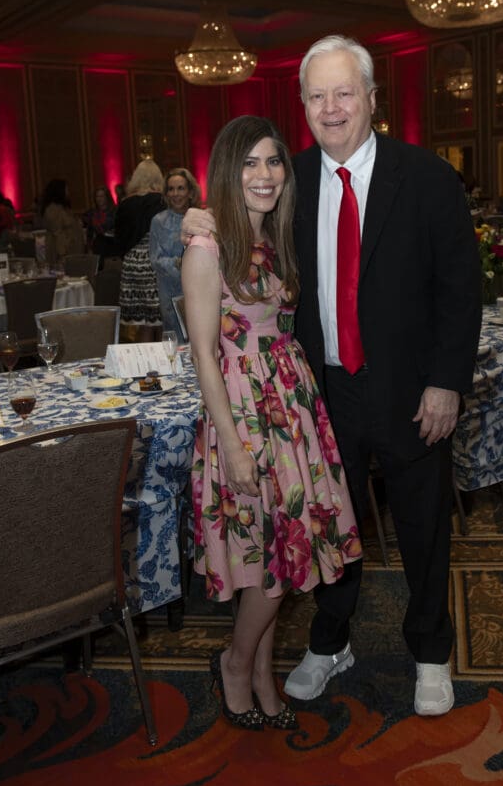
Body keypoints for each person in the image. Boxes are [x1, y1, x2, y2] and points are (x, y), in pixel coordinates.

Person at [183, 35, 482, 717]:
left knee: (422, 527)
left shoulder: (428, 177)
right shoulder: (292, 181)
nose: (330, 107)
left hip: (413, 393)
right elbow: (232, 227)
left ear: (372, 98)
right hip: (317, 396)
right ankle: (329, 640)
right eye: (315, 96)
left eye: (343, 92)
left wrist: (446, 381)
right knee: (327, 528)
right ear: (302, 107)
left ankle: (430, 653)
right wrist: (190, 217)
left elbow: (459, 290)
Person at [181, 115, 361, 731]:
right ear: (229, 171)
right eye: (251, 163)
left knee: (286, 551)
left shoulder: (276, 237)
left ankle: (257, 669)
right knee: (274, 557)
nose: (265, 175)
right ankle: (237, 663)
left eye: (274, 162)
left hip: (290, 405)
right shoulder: (208, 248)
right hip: (245, 416)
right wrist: (231, 444)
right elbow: (204, 353)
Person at [114, 160, 165, 341]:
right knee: (159, 320)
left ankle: (142, 364)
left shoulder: (126, 203)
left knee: (143, 321)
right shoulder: (160, 201)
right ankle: (161, 364)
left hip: (131, 263)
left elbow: (118, 237)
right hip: (153, 262)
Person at [149, 168, 201, 341]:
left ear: (190, 192)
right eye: (171, 189)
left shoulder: (200, 218)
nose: (176, 194)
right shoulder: (158, 221)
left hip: (200, 288)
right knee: (176, 343)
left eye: (181, 188)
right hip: (169, 290)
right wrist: (179, 263)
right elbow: (155, 259)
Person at [40, 179, 84, 264]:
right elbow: (57, 233)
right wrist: (62, 254)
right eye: (66, 189)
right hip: (63, 252)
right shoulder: (52, 210)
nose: (68, 192)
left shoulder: (63, 208)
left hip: (72, 250)